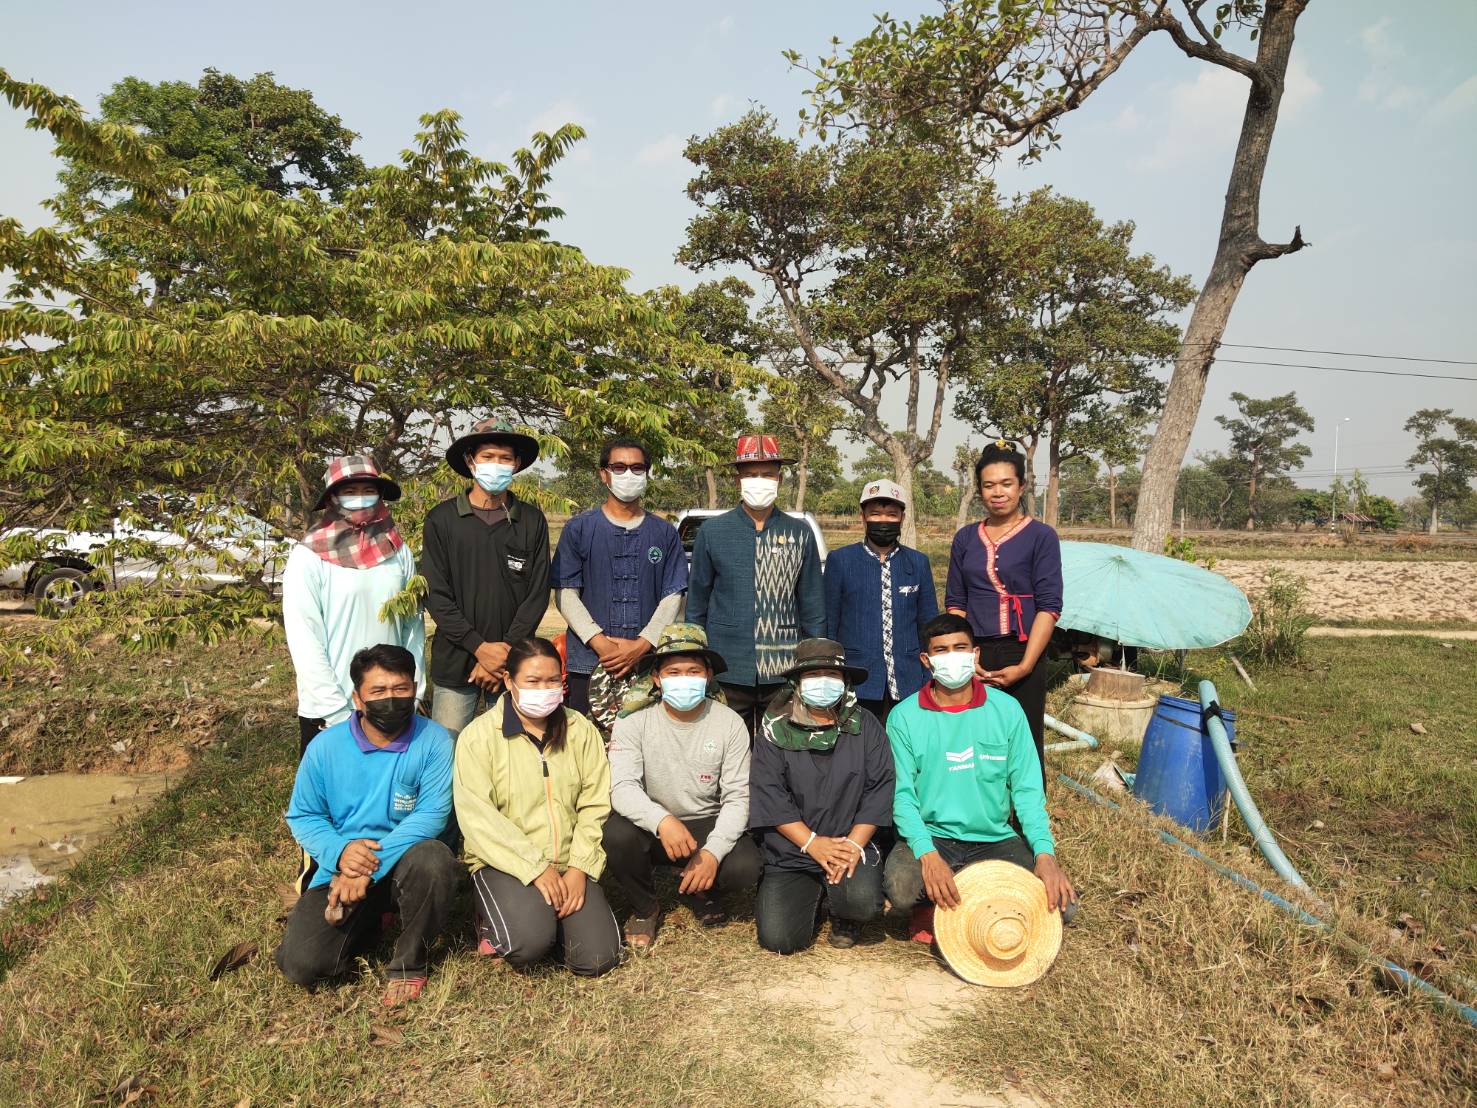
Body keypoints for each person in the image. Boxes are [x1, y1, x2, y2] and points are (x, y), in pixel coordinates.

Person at [274, 644, 459, 1007]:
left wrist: (366, 868)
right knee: (302, 965)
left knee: (434, 860)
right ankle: (372, 920)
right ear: (358, 698)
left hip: (403, 860)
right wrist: (341, 853)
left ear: (415, 688)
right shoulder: (325, 748)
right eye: (378, 691)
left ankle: (409, 963)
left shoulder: (435, 740)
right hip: (343, 867)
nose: (390, 699)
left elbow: (432, 815)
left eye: (401, 689)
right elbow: (303, 815)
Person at [883, 613, 1077, 945]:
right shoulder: (904, 717)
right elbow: (902, 798)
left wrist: (1044, 855)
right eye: (941, 650)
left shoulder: (1007, 710)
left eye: (960, 647)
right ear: (926, 661)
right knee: (901, 888)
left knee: (1064, 907)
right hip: (934, 838)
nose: (952, 656)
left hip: (995, 840)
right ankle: (948, 903)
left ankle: (953, 905)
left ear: (975, 655)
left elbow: (1028, 792)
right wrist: (927, 856)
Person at [453, 637, 622, 977]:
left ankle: (552, 917)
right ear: (508, 681)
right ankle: (496, 917)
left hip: (568, 860)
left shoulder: (580, 729)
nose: (543, 689)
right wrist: (535, 869)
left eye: (551, 680)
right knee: (530, 945)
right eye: (532, 681)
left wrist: (579, 868)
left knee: (597, 959)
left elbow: (595, 803)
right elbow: (478, 818)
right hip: (507, 863)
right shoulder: (479, 737)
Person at [602, 624, 759, 948]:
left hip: (705, 821)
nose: (684, 679)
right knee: (616, 836)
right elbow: (622, 786)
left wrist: (713, 853)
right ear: (657, 678)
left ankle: (702, 887)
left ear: (708, 675)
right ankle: (646, 907)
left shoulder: (729, 722)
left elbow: (737, 797)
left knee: (747, 865)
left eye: (693, 671)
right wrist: (662, 820)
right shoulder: (632, 720)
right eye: (674, 671)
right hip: (653, 822)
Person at [749, 639, 894, 954]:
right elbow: (769, 793)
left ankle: (843, 910)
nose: (823, 682)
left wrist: (854, 844)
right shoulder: (774, 729)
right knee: (780, 940)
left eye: (832, 674)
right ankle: (812, 892)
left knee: (863, 904)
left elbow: (879, 788)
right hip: (793, 848)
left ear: (845, 681)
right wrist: (812, 843)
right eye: (813, 675)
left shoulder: (867, 725)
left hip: (849, 846)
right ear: (797, 682)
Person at [283, 455, 424, 757]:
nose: (360, 499)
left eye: (367, 490)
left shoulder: (397, 551)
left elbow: (413, 625)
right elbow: (304, 636)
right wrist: (334, 709)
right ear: (333, 498)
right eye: (350, 491)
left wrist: (413, 690)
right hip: (332, 707)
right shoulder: (309, 557)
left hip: (390, 699)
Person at [686, 433, 825, 736]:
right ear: (738, 481)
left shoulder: (799, 533)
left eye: (766, 474)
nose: (758, 481)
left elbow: (812, 606)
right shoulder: (713, 532)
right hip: (727, 666)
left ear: (779, 479)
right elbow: (696, 604)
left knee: (781, 750)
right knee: (726, 747)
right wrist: (696, 659)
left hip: (784, 668)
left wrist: (814, 665)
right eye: (750, 474)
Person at [423, 417, 551, 739]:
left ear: (516, 463)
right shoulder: (442, 520)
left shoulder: (531, 521)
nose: (497, 465)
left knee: (509, 756)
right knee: (447, 756)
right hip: (456, 663)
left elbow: (537, 594)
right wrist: (479, 647)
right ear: (471, 461)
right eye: (488, 457)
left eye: (505, 458)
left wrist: (504, 653)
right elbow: (436, 594)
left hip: (512, 665)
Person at [944, 440, 1063, 782]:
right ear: (979, 490)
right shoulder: (966, 538)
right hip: (975, 648)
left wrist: (1025, 665)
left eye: (1006, 484)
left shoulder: (1041, 536)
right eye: (989, 485)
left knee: (1023, 733)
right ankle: (978, 809)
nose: (998, 493)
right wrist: (966, 659)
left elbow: (1049, 605)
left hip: (1023, 648)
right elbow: (956, 601)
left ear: (1022, 486)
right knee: (973, 733)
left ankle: (1026, 816)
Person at [552, 437, 687, 735]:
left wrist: (643, 644)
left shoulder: (664, 533)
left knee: (646, 749)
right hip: (588, 664)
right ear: (604, 474)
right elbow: (565, 593)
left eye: (637, 468)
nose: (629, 475)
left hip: (646, 666)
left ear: (647, 474)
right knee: (586, 749)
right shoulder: (579, 529)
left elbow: (673, 595)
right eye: (620, 467)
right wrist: (600, 642)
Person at [823, 479, 939, 724]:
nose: (883, 520)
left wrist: (928, 676)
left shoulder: (917, 563)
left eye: (891, 514)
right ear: (863, 517)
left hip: (908, 680)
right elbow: (829, 624)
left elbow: (928, 625)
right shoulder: (841, 561)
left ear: (902, 518)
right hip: (858, 680)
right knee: (861, 750)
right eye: (875, 513)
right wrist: (831, 674)